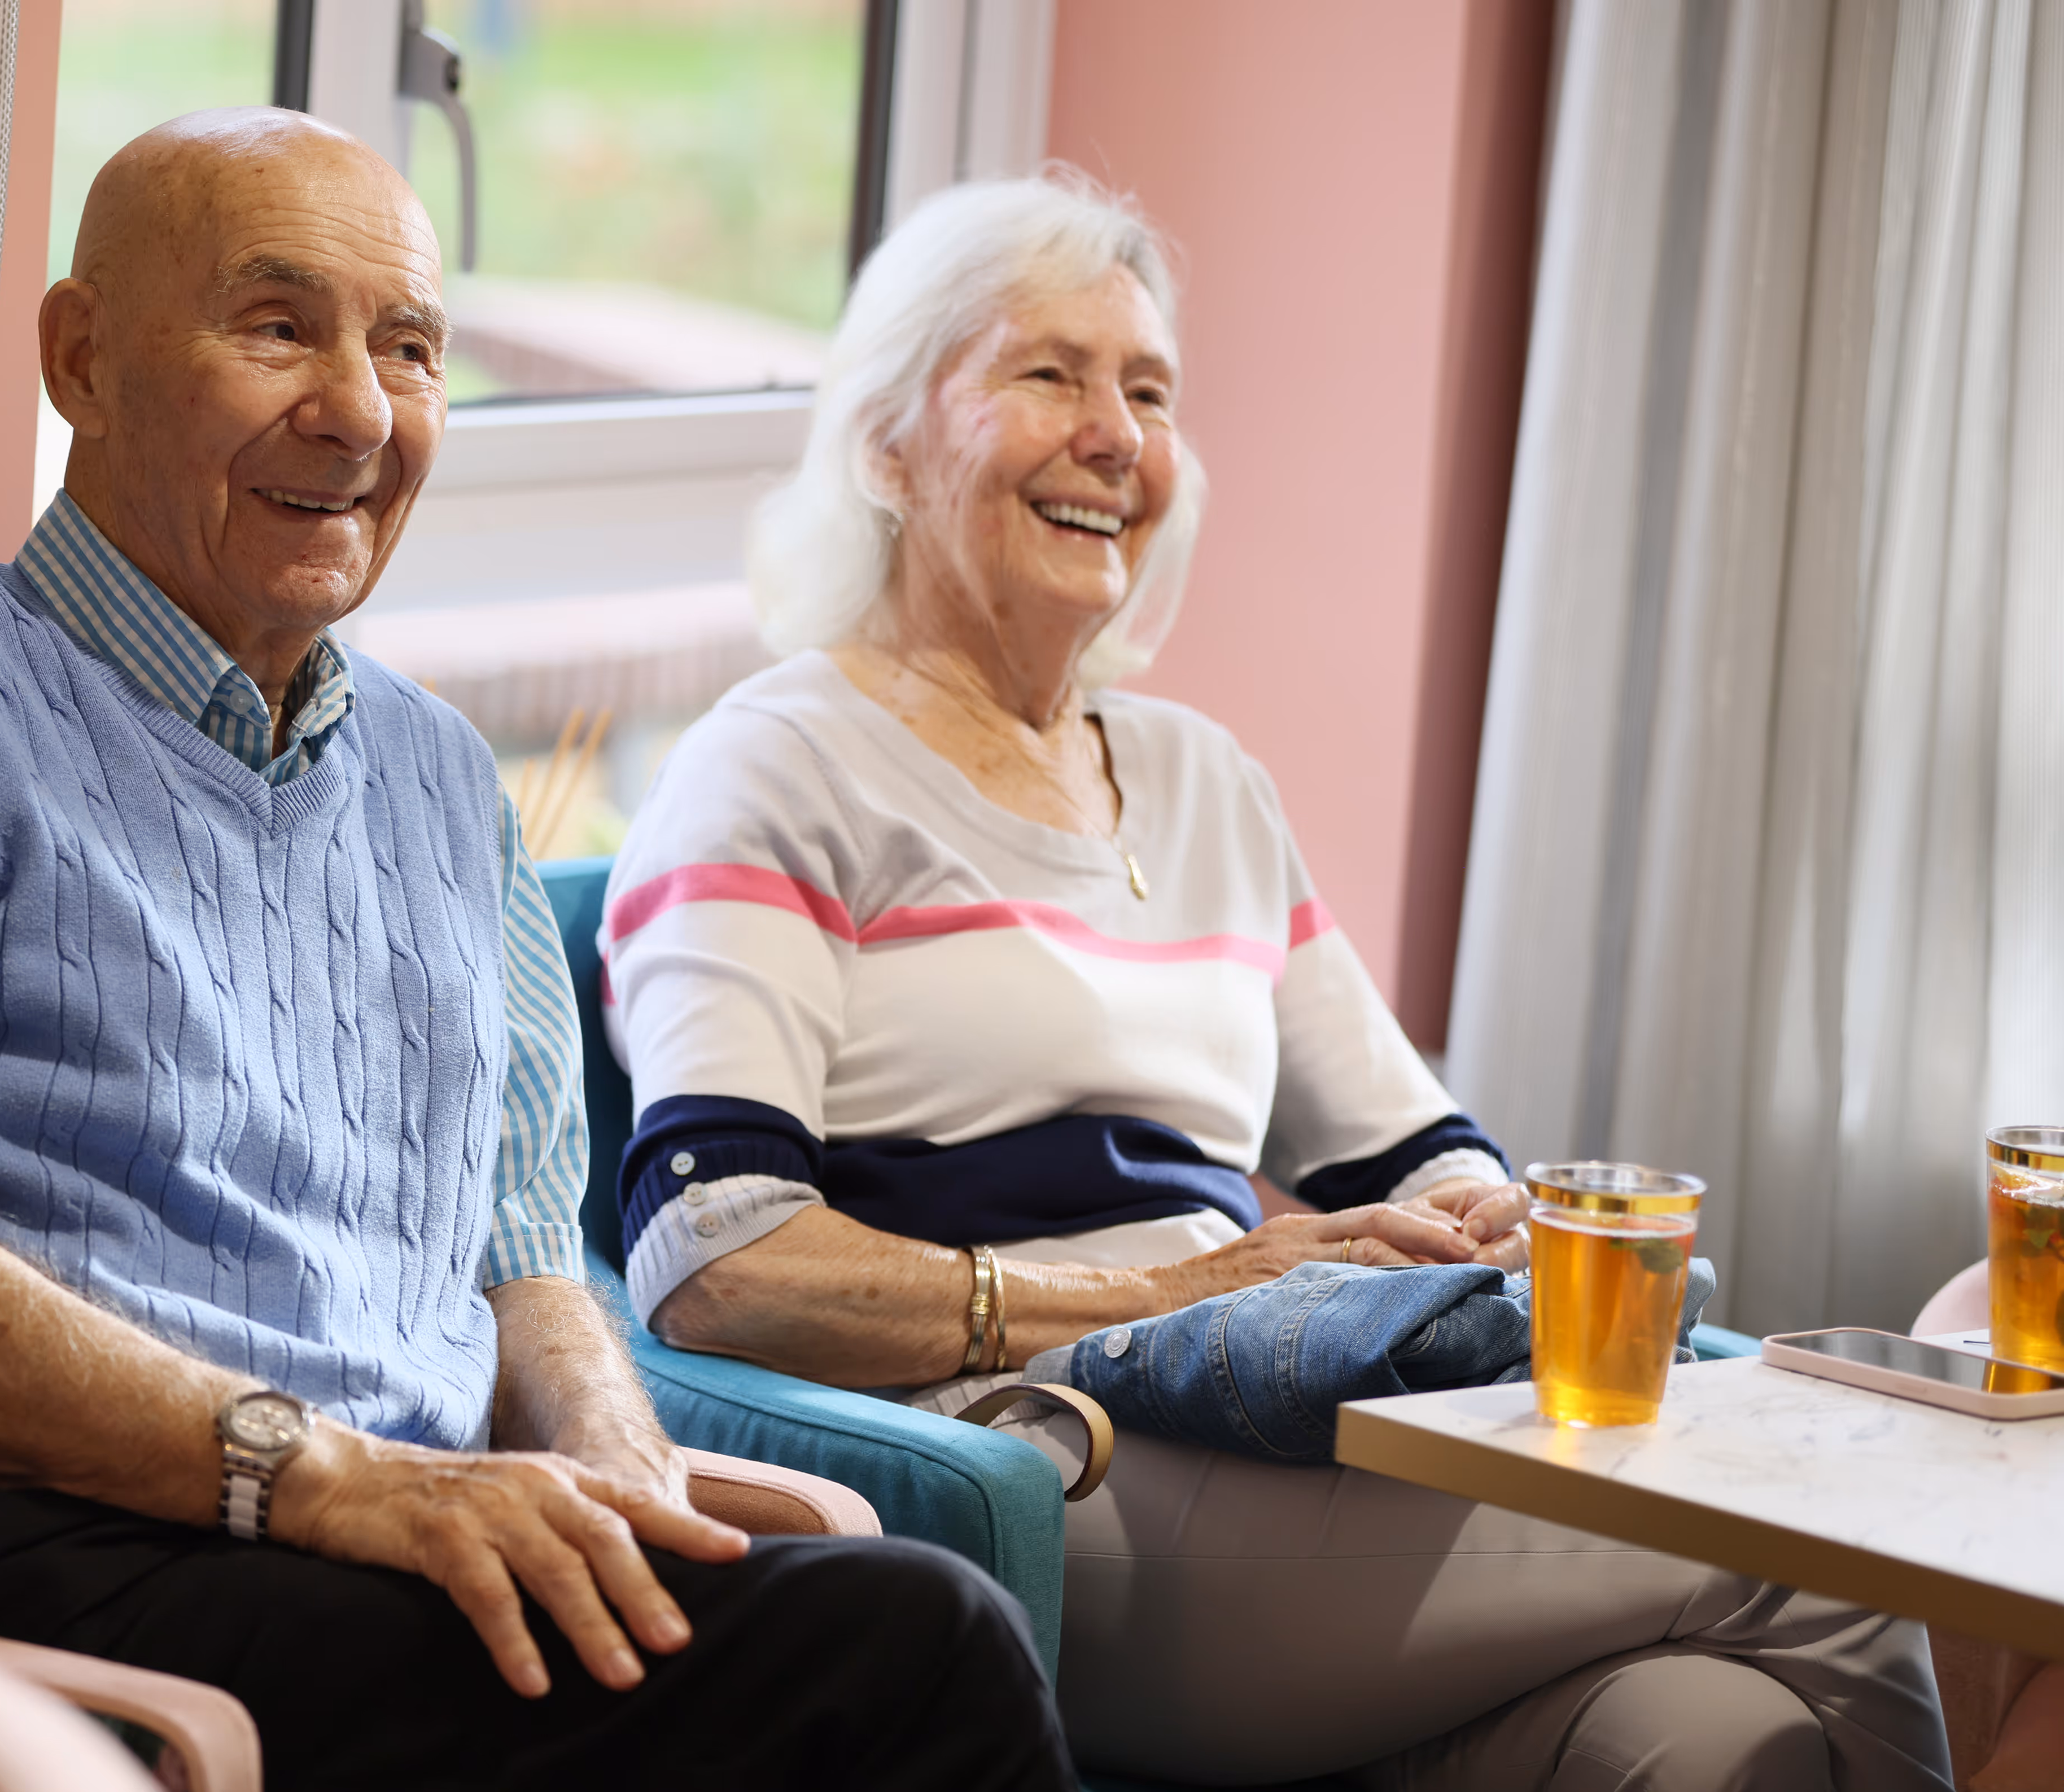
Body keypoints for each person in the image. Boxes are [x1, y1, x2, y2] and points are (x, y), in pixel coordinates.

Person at [0, 109, 1069, 1792]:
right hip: (3, 1561)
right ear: (81, 359)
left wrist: (614, 1462)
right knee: (909, 1660)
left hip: (373, 1543)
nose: (363, 412)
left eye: (412, 348)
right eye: (278, 327)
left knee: (875, 1612)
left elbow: (527, 1258)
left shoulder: (444, 777)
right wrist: (313, 1473)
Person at [602, 172, 1954, 1791]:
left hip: (1278, 1430)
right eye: (1050, 373)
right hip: (1035, 1459)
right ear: (887, 443)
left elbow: (1413, 1146)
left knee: (1703, 1738)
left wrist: (1473, 1220)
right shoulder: (774, 766)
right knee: (1842, 1568)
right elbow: (717, 1256)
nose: (1118, 434)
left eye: (1152, 391)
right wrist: (1162, 1294)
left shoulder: (1203, 781)